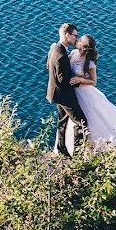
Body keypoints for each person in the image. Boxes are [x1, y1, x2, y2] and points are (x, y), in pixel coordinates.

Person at [66, 34, 116, 160]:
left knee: (91, 118)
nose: (78, 40)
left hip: (84, 92)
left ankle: (95, 146)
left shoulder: (90, 63)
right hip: (73, 93)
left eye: (81, 40)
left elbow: (94, 82)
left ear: (84, 47)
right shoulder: (74, 53)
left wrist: (79, 79)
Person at [46, 23, 89, 157]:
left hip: (55, 93)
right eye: (75, 35)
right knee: (81, 122)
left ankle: (61, 148)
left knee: (63, 120)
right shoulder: (61, 55)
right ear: (67, 35)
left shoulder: (55, 48)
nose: (76, 39)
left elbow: (48, 66)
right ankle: (77, 154)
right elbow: (63, 79)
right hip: (64, 95)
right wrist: (77, 81)